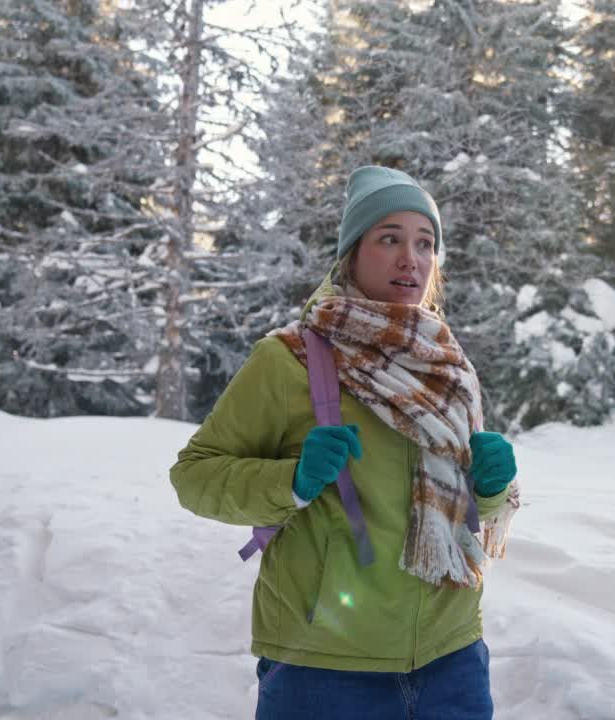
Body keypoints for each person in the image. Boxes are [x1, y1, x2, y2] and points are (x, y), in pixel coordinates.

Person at [171, 166, 520, 720]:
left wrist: (495, 490)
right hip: (323, 664)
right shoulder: (289, 359)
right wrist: (291, 481)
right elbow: (194, 476)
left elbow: (462, 515)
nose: (412, 258)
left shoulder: (448, 367)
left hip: (450, 655)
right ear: (351, 254)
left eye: (424, 243)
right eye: (389, 238)